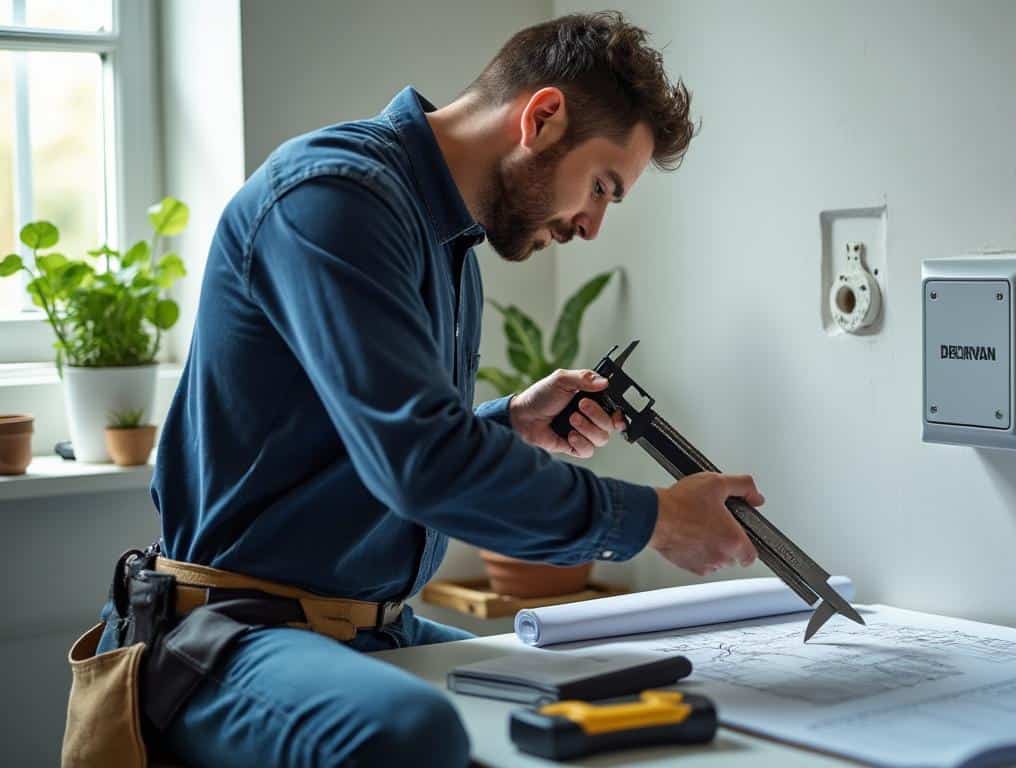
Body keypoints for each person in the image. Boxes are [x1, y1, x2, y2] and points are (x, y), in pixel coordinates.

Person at [81, 11, 761, 768]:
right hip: (235, 631)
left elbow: (371, 447)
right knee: (411, 733)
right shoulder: (335, 197)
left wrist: (507, 423)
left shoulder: (449, 249)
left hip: (371, 624)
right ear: (541, 118)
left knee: (609, 692)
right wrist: (653, 522)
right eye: (601, 187)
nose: (593, 225)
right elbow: (421, 464)